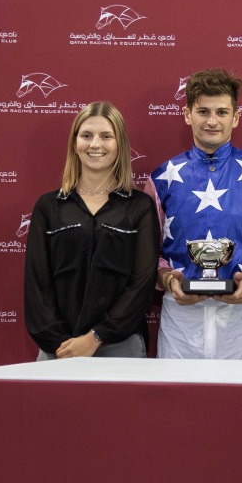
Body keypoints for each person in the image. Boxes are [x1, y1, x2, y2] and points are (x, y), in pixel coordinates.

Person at [146, 68, 242, 359]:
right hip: (179, 320)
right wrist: (169, 281)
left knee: (237, 404)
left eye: (222, 112)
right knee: (175, 404)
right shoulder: (160, 178)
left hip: (238, 318)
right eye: (203, 111)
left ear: (235, 117)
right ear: (188, 115)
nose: (212, 121)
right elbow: (148, 252)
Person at [24, 101, 159, 360]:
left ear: (119, 144)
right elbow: (37, 285)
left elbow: (140, 286)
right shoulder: (49, 207)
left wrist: (96, 337)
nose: (95, 144)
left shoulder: (140, 207)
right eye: (86, 135)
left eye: (106, 136)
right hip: (58, 349)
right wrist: (61, 343)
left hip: (120, 344)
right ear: (75, 144)